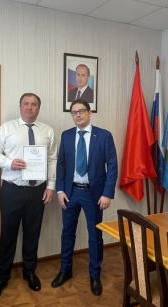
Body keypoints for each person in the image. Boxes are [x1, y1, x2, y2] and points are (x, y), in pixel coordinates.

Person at [0, 93, 57, 301]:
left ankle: (29, 272)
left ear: (38, 108)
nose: (29, 107)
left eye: (34, 104)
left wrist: (51, 186)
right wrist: (9, 163)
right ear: (20, 106)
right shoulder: (7, 128)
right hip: (12, 190)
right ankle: (1, 278)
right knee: (8, 234)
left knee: (33, 233)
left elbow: (52, 159)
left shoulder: (47, 131)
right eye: (26, 103)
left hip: (37, 191)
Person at [52, 99, 117, 296]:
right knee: (67, 232)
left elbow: (112, 165)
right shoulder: (66, 135)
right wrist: (60, 190)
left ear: (90, 113)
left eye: (81, 111)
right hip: (70, 193)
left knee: (95, 235)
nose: (77, 115)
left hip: (94, 194)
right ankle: (65, 270)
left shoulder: (104, 136)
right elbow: (61, 164)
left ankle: (95, 275)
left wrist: (107, 193)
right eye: (74, 112)